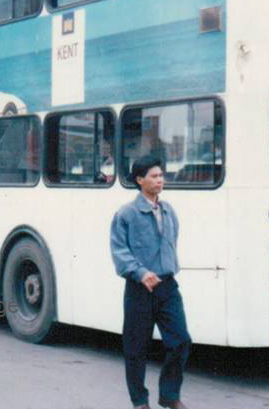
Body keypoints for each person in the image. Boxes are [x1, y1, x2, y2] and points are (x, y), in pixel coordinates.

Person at [110, 155, 191, 409]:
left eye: (161, 176)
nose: (160, 180)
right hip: (139, 290)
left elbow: (172, 241)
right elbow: (119, 250)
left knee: (180, 340)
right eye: (154, 176)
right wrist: (140, 272)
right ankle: (140, 401)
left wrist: (165, 269)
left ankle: (169, 395)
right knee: (136, 348)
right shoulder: (127, 214)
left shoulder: (168, 211)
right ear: (140, 180)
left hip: (167, 287)